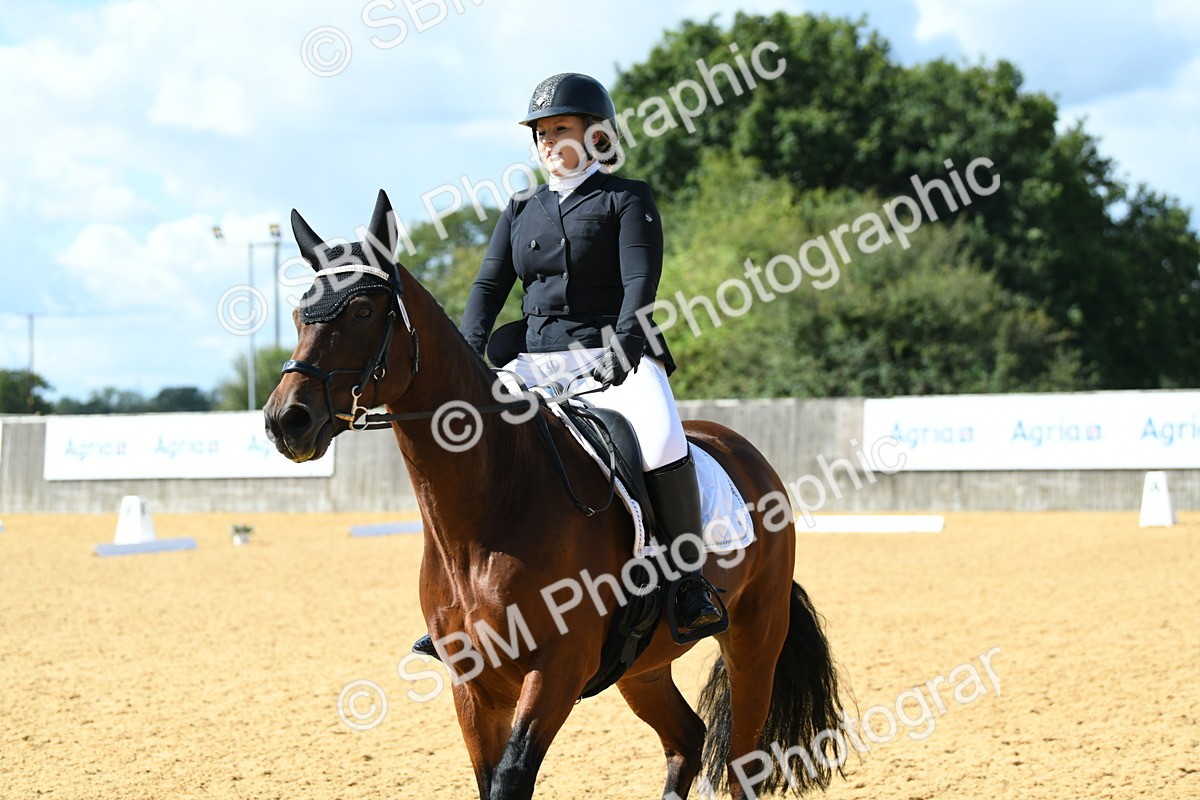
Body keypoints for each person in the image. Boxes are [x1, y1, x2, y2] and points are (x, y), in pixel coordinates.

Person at [415, 73, 726, 657]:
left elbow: (640, 284)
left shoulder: (626, 199)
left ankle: (688, 583)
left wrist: (625, 348)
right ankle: (462, 596)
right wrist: (464, 356)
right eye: (540, 133)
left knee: (661, 440)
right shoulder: (520, 209)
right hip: (533, 361)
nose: (547, 143)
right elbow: (488, 287)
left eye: (560, 129)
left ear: (596, 135)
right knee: (474, 444)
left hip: (614, 355)